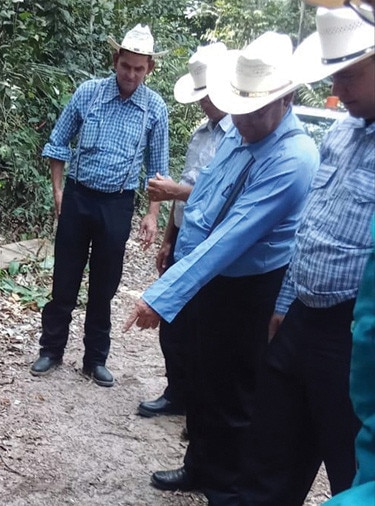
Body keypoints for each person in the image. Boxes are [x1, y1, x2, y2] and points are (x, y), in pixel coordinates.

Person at [124, 32, 319, 504]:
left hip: (250, 286)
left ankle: (224, 487)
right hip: (210, 277)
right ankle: (199, 467)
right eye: (240, 108)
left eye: (255, 110)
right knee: (202, 377)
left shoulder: (293, 159)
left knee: (234, 393)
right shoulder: (239, 129)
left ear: (287, 98)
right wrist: (178, 255)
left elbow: (232, 238)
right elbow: (208, 197)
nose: (243, 120)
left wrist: (163, 294)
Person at [237, 7, 375, 505]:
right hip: (302, 319)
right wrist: (285, 302)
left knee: (350, 462)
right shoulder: (341, 132)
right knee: (270, 450)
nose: (341, 85)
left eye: (351, 73)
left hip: (354, 335)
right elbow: (312, 224)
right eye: (335, 72)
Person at [29, 24, 169, 387]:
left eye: (139, 69)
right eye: (126, 66)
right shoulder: (88, 94)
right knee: (65, 279)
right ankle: (51, 350)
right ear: (115, 61)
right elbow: (58, 142)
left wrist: (152, 215)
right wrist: (58, 191)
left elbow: (157, 170)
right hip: (78, 197)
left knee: (104, 285)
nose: (131, 75)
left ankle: (95, 359)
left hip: (118, 204)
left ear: (150, 69)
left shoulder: (154, 109)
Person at [138, 42, 231, 418]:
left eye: (207, 95)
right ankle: (177, 392)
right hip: (184, 239)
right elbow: (185, 193)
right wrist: (168, 238)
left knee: (203, 328)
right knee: (173, 322)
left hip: (214, 248)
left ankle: (199, 402)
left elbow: (221, 197)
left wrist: (175, 191)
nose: (203, 103)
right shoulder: (200, 133)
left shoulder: (237, 138)